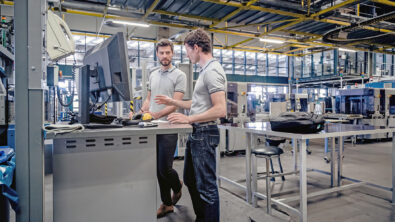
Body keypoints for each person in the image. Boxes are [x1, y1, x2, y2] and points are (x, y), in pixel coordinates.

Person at [155, 29, 227, 222]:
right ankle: (202, 217)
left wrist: (188, 119)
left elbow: (221, 110)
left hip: (205, 132)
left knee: (207, 187)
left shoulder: (212, 71)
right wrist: (174, 102)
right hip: (198, 132)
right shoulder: (205, 71)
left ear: (196, 47)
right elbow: (195, 105)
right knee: (189, 179)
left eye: (187, 50)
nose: (187, 55)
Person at [130, 39, 186, 218]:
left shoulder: (179, 75)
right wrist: (140, 112)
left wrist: (156, 115)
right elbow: (149, 99)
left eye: (168, 52)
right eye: (161, 53)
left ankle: (177, 186)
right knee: (157, 169)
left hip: (168, 125)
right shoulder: (153, 74)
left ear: (172, 53)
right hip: (152, 125)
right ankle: (167, 203)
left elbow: (175, 104)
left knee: (165, 169)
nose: (165, 56)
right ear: (157, 54)